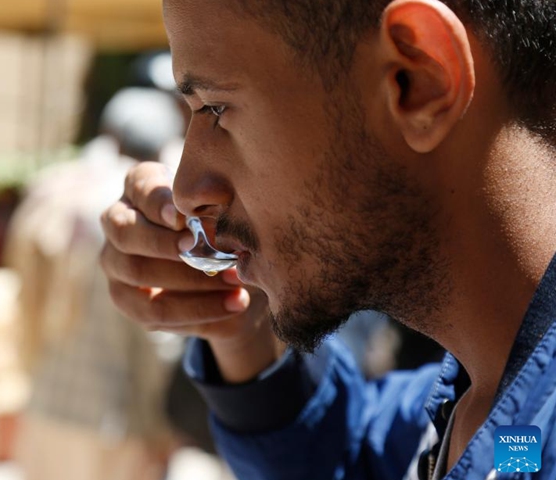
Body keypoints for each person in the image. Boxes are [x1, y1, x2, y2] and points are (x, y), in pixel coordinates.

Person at [99, 0, 556, 479]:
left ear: (417, 79)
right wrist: (240, 331)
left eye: (216, 108)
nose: (188, 191)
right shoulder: (502, 418)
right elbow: (356, 454)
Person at [4, 87, 185, 480]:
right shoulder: (134, 211)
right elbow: (158, 328)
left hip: (44, 407)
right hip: (115, 422)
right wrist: (164, 424)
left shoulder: (50, 189)